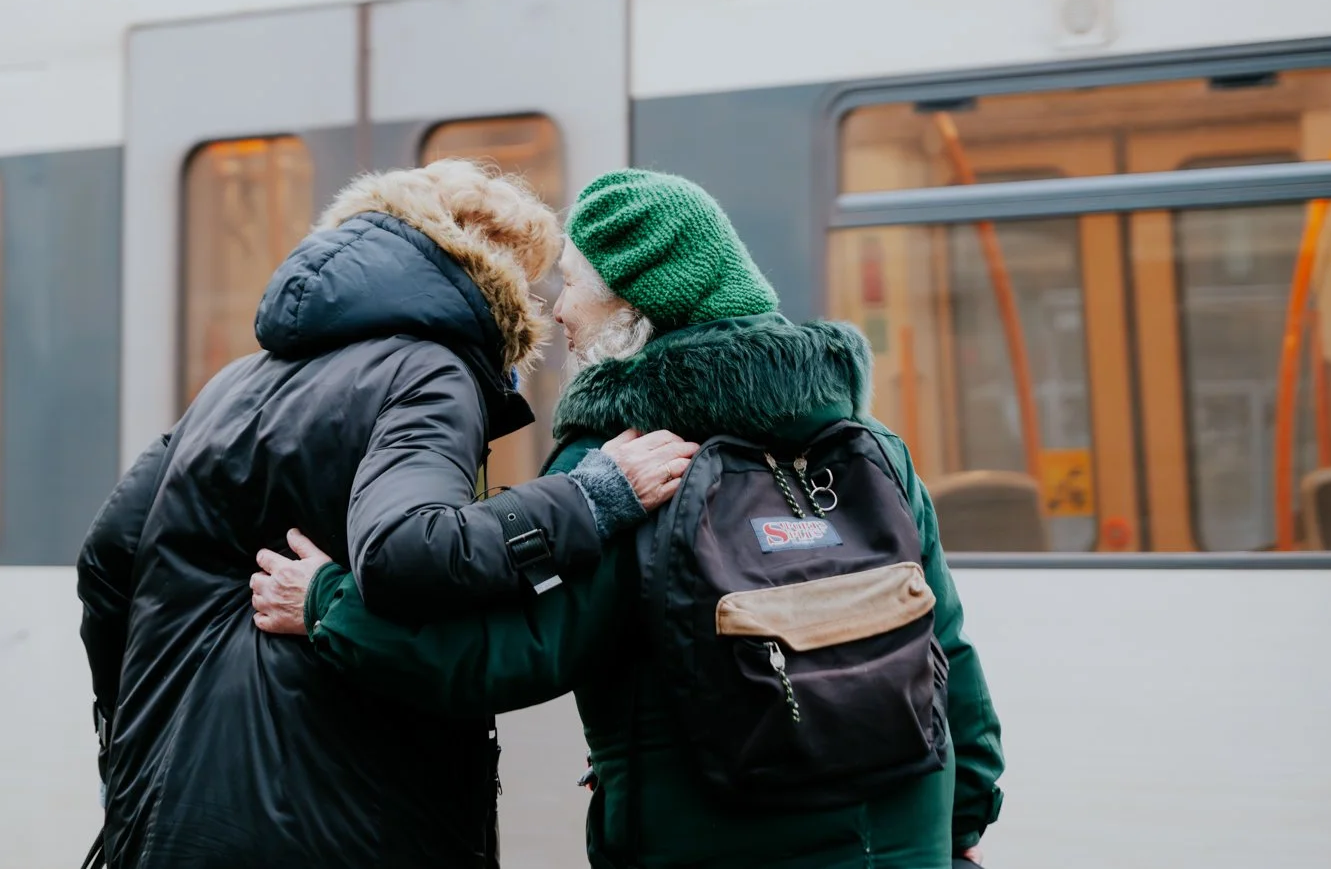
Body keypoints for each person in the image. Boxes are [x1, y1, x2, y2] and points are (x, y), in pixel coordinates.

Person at [252, 169, 1005, 869]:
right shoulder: (872, 450)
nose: (559, 310)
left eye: (576, 285)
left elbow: (510, 652)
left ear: (635, 309)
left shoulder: (634, 460)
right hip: (905, 837)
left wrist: (327, 604)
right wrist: (961, 825)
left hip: (717, 838)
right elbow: (948, 653)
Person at [75, 160, 697, 869]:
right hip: (336, 806)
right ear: (495, 274)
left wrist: (133, 729)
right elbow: (409, 548)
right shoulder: (432, 371)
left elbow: (107, 556)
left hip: (169, 810)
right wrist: (590, 496)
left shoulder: (234, 382)